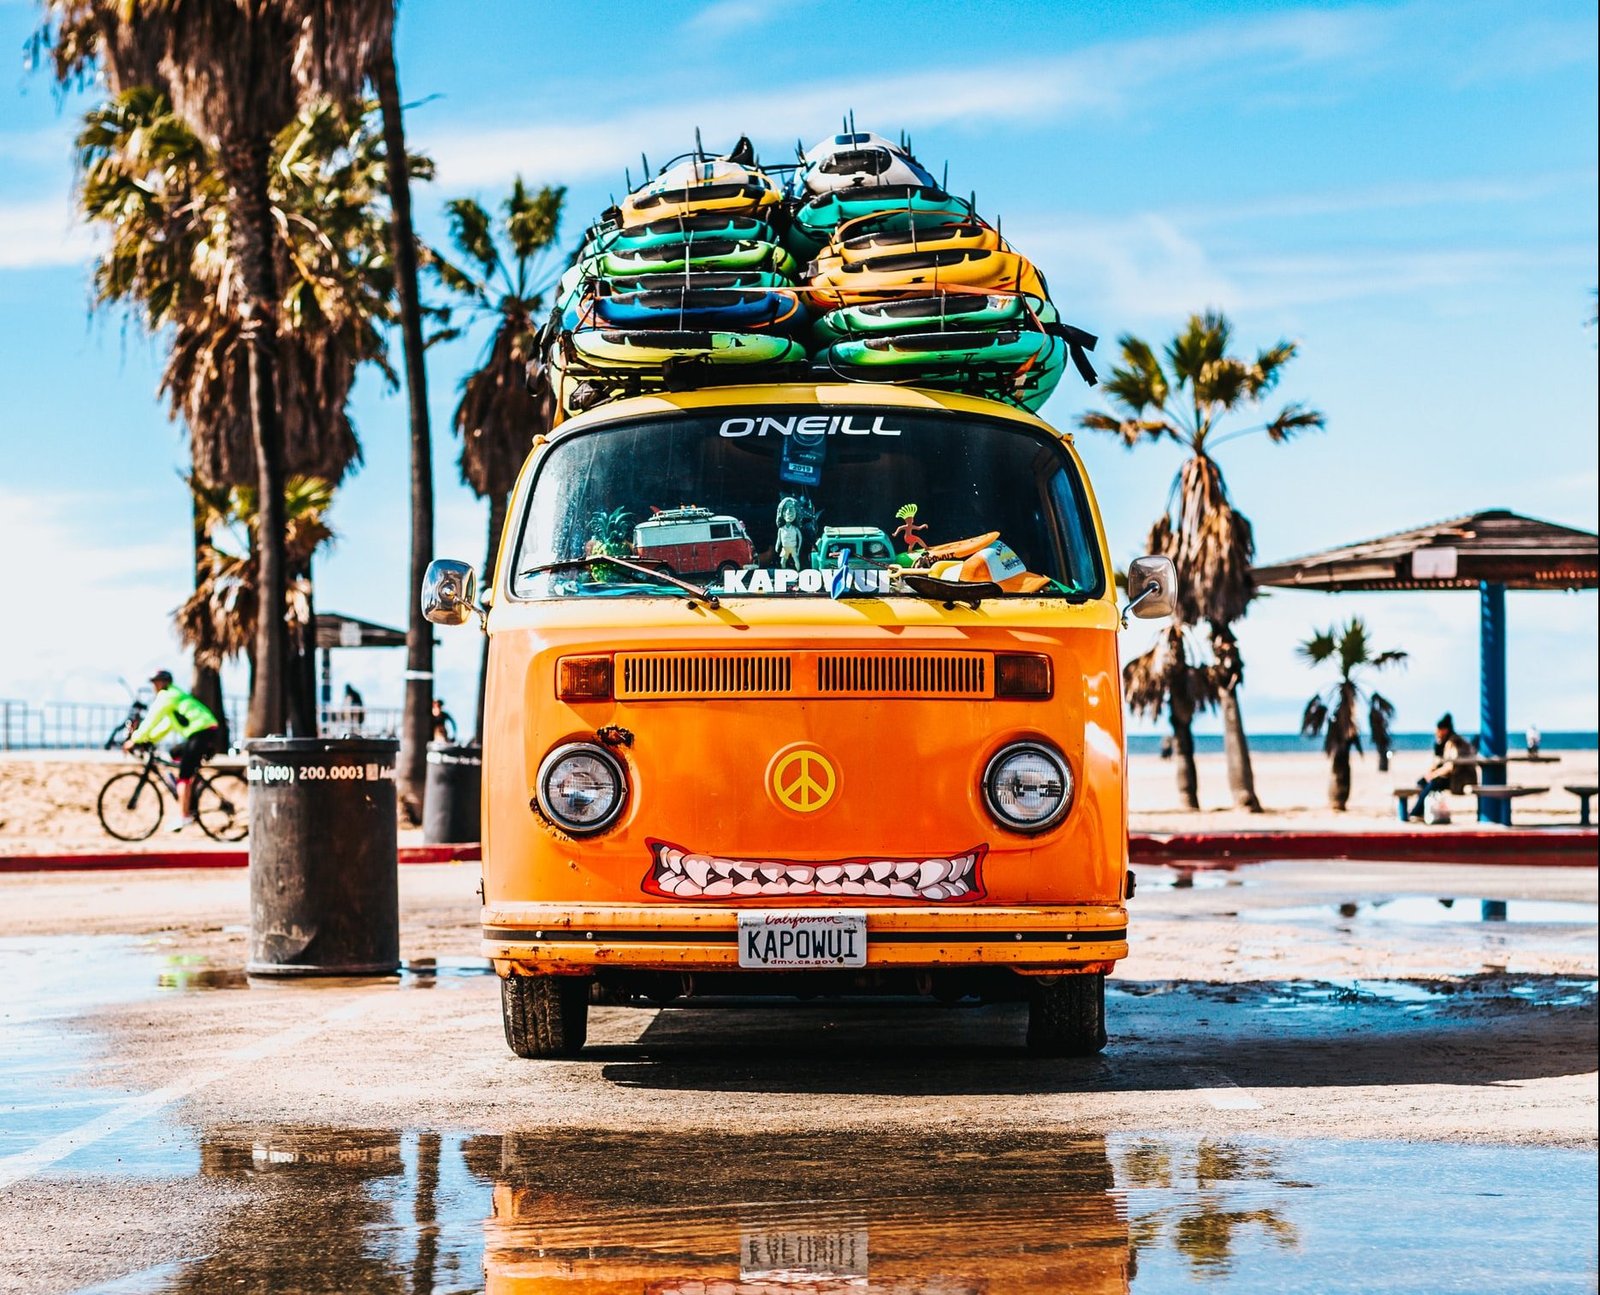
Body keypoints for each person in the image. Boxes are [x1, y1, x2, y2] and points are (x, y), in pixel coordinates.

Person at [124, 669, 222, 831]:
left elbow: (151, 720)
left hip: (202, 732)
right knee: (174, 753)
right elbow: (165, 725)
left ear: (164, 683)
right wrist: (149, 739)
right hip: (203, 731)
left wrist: (134, 739)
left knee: (184, 775)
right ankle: (189, 790)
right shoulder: (174, 697)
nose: (154, 686)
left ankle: (184, 815)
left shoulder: (167, 696)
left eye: (156, 682)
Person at [1410, 712, 1473, 822]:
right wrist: (1431, 772)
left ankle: (1416, 812)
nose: (1436, 733)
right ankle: (1421, 810)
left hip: (1459, 779)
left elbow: (1451, 766)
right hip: (1454, 777)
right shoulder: (1445, 742)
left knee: (1433, 783)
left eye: (1438, 731)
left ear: (1444, 730)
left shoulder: (1454, 742)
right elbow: (1440, 763)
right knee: (1423, 782)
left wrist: (1434, 774)